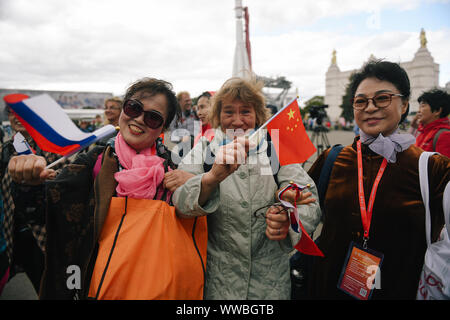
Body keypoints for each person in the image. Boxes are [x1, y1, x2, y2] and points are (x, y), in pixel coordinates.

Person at [8, 78, 210, 300]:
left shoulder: (172, 169)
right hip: (96, 287)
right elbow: (42, 212)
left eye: (153, 117)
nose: (140, 119)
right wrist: (28, 183)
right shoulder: (91, 161)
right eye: (134, 107)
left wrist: (194, 184)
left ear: (163, 127)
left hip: (154, 287)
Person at [307, 60, 450, 299]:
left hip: (400, 287)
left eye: (382, 98)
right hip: (329, 286)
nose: (370, 107)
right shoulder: (333, 158)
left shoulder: (433, 168)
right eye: (361, 101)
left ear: (404, 105)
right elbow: (304, 206)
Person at [172, 77, 321, 299]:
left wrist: (289, 218)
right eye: (229, 112)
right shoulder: (203, 151)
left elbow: (310, 202)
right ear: (218, 116)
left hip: (270, 286)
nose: (237, 120)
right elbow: (180, 205)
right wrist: (210, 179)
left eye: (246, 112)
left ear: (258, 115)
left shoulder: (275, 149)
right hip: (218, 283)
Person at [0, 93, 65, 294]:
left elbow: (67, 186)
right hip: (11, 234)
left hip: (44, 237)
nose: (17, 117)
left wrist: (48, 179)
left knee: (49, 289)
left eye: (24, 113)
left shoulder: (53, 145)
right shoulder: (6, 148)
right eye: (13, 112)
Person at [412, 89, 450, 157]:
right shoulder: (423, 131)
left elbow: (444, 166)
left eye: (423, 106)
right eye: (419, 107)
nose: (418, 111)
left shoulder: (445, 136)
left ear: (437, 111)